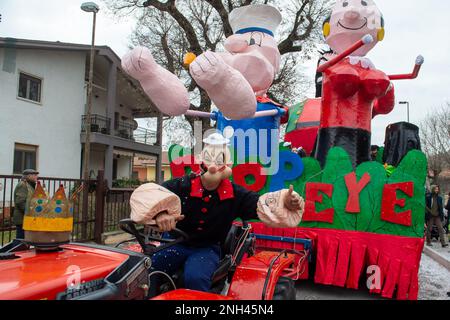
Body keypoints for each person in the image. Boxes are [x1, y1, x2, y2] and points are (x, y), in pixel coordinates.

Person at [130, 133, 304, 294]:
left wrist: (285, 203)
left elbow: (262, 204)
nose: (213, 166)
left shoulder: (236, 195)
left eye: (219, 159)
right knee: (146, 270)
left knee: (195, 277)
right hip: (174, 244)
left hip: (207, 249)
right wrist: (160, 213)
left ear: (227, 165)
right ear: (202, 163)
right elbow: (153, 193)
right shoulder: (182, 186)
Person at [13, 169, 39, 239]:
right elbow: (21, 202)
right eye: (35, 175)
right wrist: (30, 212)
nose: (37, 177)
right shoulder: (23, 185)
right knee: (21, 241)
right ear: (29, 176)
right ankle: (16, 250)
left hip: (26, 218)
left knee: (25, 240)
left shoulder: (29, 185)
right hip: (22, 219)